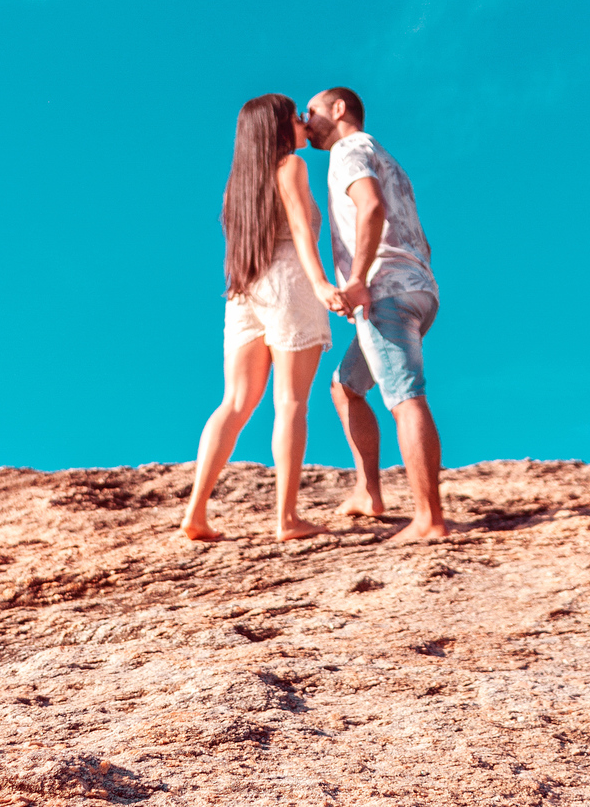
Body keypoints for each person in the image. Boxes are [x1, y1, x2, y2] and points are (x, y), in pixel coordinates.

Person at [181, 93, 350, 543]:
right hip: (289, 283)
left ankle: (196, 513)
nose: (303, 122)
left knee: (234, 402)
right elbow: (300, 230)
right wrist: (321, 284)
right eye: (295, 117)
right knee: (290, 402)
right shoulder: (291, 165)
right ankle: (286, 518)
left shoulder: (239, 184)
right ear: (277, 128)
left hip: (245, 290)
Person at [303, 87, 447, 543]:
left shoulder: (348, 150)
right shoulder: (384, 156)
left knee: (405, 397)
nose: (305, 121)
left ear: (338, 109)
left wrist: (358, 279)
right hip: (417, 288)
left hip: (386, 292)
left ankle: (429, 520)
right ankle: (370, 494)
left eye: (311, 111)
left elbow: (371, 208)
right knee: (345, 387)